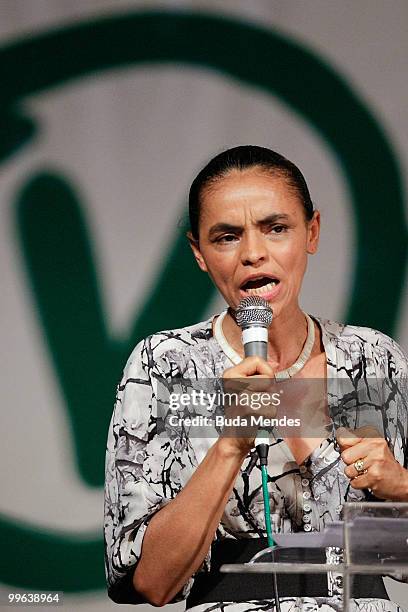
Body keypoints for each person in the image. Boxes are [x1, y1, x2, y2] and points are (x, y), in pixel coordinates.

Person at [104, 145, 408, 611]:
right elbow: (151, 584)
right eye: (226, 237)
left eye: (276, 228)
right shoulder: (165, 365)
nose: (253, 254)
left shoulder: (373, 359)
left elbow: (396, 558)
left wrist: (400, 486)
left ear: (312, 231)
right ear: (199, 253)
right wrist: (230, 445)